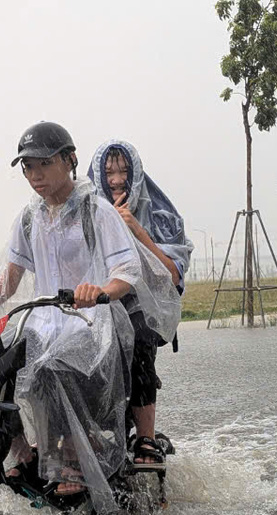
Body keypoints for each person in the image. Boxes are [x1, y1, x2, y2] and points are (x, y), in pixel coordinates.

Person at [0, 122, 142, 505]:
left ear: (70, 161)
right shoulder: (30, 217)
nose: (35, 175)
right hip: (41, 323)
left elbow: (126, 274)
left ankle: (67, 459)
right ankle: (15, 448)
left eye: (44, 164)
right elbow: (8, 281)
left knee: (48, 368)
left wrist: (98, 291)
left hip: (90, 325)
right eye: (28, 167)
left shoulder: (96, 211)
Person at [88, 140, 192, 465]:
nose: (116, 180)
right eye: (108, 173)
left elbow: (173, 273)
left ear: (135, 175)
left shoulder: (160, 214)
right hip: (99, 305)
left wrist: (135, 228)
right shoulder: (87, 211)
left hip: (146, 310)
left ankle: (145, 438)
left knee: (139, 340)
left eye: (123, 172)